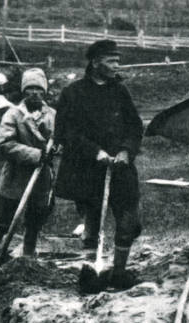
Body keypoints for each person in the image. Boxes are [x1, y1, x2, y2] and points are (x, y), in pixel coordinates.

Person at [54, 39, 145, 289]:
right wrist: (95, 152)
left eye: (118, 61)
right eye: (111, 61)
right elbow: (67, 132)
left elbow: (135, 126)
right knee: (92, 224)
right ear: (95, 63)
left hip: (121, 168)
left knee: (129, 221)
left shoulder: (120, 91)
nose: (116, 65)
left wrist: (127, 151)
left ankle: (118, 272)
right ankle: (90, 274)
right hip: (87, 170)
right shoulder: (73, 93)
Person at [0, 68, 57, 264]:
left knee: (35, 219)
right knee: (3, 218)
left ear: (44, 92)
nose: (34, 93)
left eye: (39, 89)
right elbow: (5, 145)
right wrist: (36, 155)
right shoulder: (13, 115)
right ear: (23, 91)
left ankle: (27, 257)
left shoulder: (53, 116)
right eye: (30, 88)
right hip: (16, 176)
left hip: (41, 178)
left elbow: (61, 141)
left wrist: (55, 149)